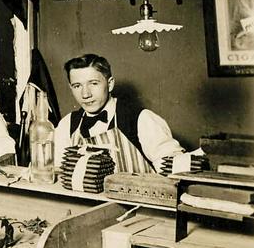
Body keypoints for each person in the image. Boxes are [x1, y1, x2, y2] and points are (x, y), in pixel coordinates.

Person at [53, 53, 184, 174]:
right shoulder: (68, 123)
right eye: (77, 86)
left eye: (93, 83)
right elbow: (57, 168)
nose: (85, 94)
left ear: (110, 84)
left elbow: (174, 169)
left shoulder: (142, 119)